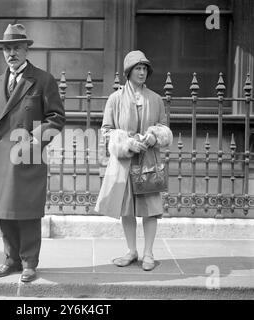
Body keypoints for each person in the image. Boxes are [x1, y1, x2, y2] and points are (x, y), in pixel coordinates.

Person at [0, 24, 65, 282]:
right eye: (6, 48)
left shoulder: (42, 79)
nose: (11, 53)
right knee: (4, 211)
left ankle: (29, 262)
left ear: (27, 49)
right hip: (1, 156)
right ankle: (11, 259)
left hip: (28, 155)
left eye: (16, 47)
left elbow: (56, 118)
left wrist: (32, 139)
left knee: (26, 211)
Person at [94, 50, 173, 271]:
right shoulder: (115, 99)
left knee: (150, 209)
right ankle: (132, 251)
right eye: (138, 68)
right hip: (125, 162)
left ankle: (148, 253)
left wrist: (154, 135)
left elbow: (165, 128)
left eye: (145, 68)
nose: (142, 72)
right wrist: (126, 143)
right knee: (126, 209)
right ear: (128, 72)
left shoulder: (156, 99)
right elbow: (106, 131)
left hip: (148, 160)